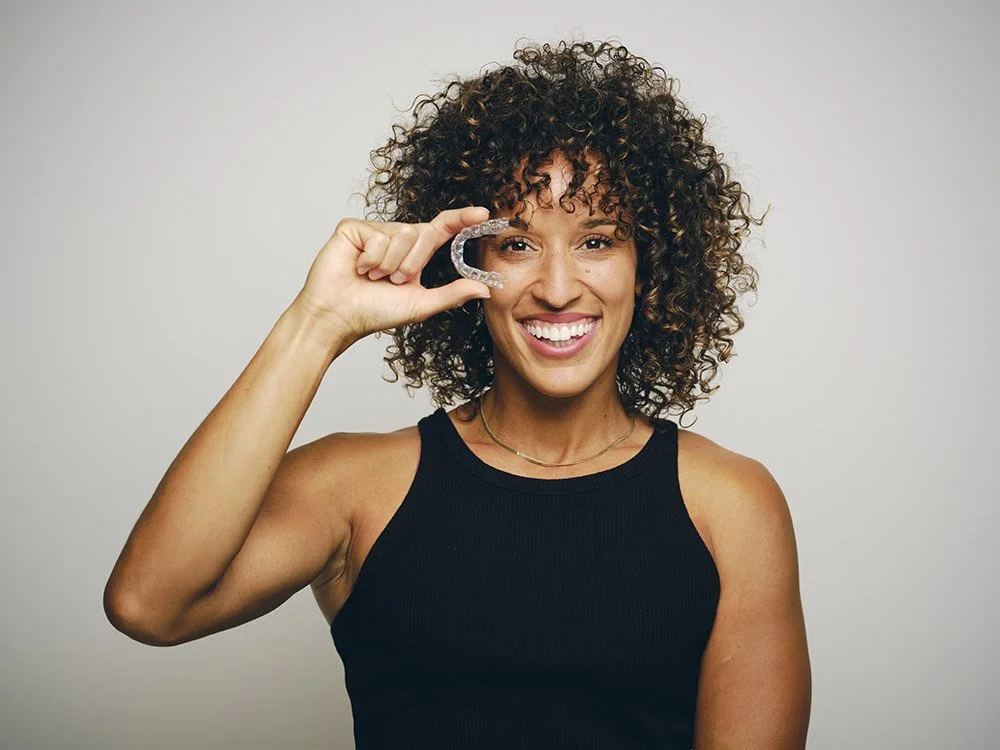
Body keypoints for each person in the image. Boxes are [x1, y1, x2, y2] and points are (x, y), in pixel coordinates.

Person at [104, 40, 811, 749]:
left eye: (597, 241)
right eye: (517, 245)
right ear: (465, 263)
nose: (559, 288)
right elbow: (149, 605)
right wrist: (316, 325)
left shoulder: (730, 503)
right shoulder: (360, 488)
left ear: (648, 264)